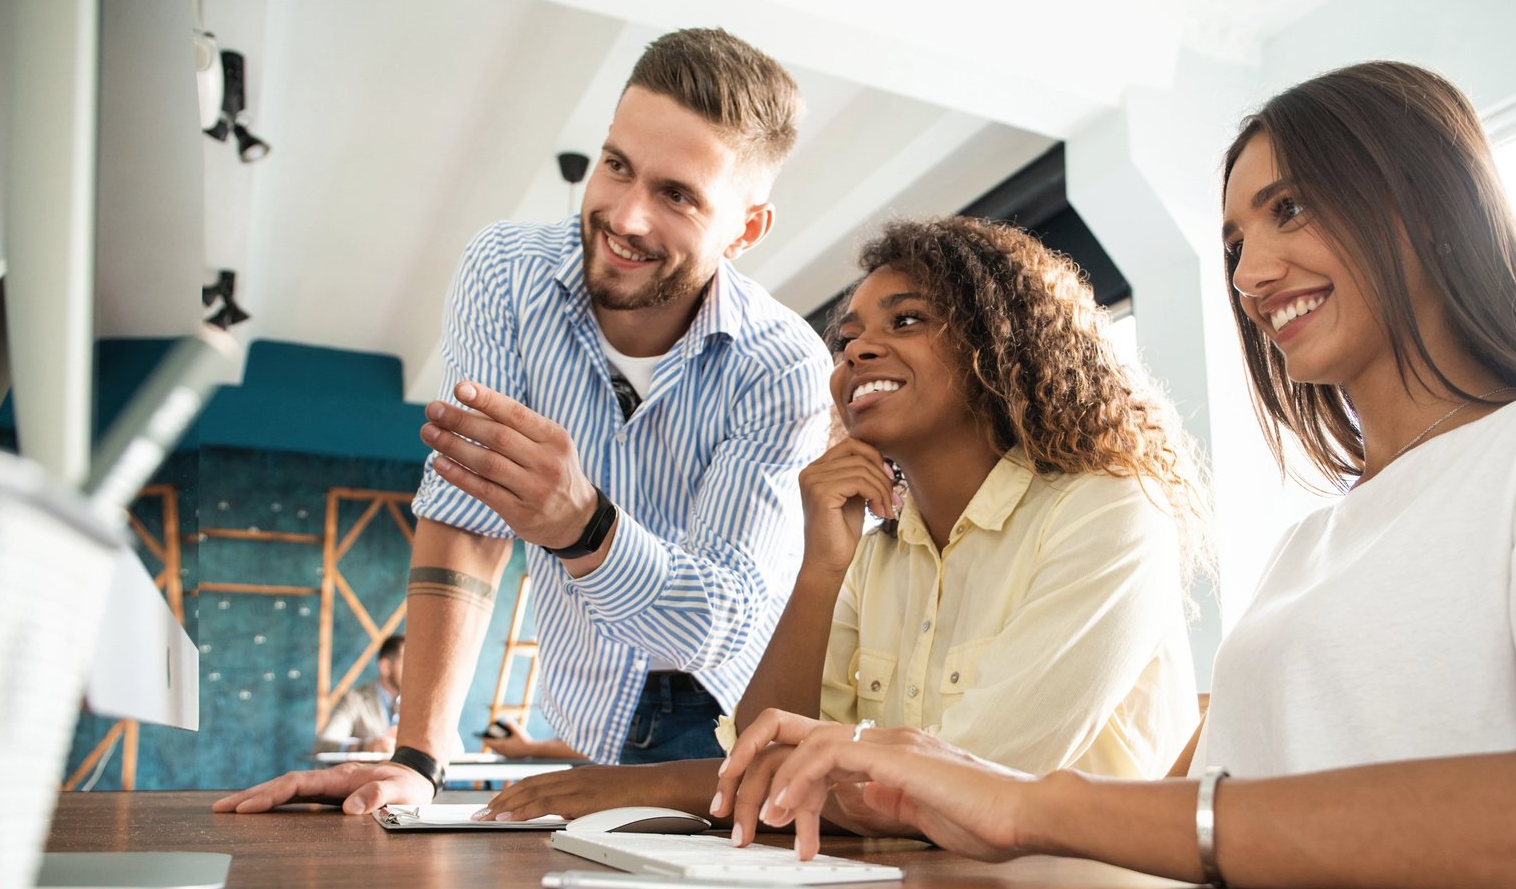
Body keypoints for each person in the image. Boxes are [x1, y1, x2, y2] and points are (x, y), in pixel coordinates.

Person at [716, 60, 1516, 889]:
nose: (1250, 275)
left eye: (1289, 208)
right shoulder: (1312, 547)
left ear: (1421, 202)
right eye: (1237, 241)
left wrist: (1030, 804)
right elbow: (1162, 825)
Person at [216, 28, 830, 816]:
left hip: (728, 728)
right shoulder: (504, 275)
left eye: (677, 195)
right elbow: (468, 520)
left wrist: (583, 525)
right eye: (616, 165)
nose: (626, 217)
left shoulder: (786, 366)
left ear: (745, 229)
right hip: (586, 712)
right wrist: (417, 759)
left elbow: (717, 624)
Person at [472, 215, 1208, 827]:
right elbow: (760, 760)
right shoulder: (874, 550)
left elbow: (969, 790)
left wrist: (645, 784)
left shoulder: (1109, 512)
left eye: (907, 320)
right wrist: (821, 570)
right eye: (846, 337)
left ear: (1000, 346)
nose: (855, 348)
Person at [314, 635, 404, 755]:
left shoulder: (418, 703)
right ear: (386, 667)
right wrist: (367, 747)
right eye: (407, 664)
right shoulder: (355, 699)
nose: (415, 671)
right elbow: (325, 744)